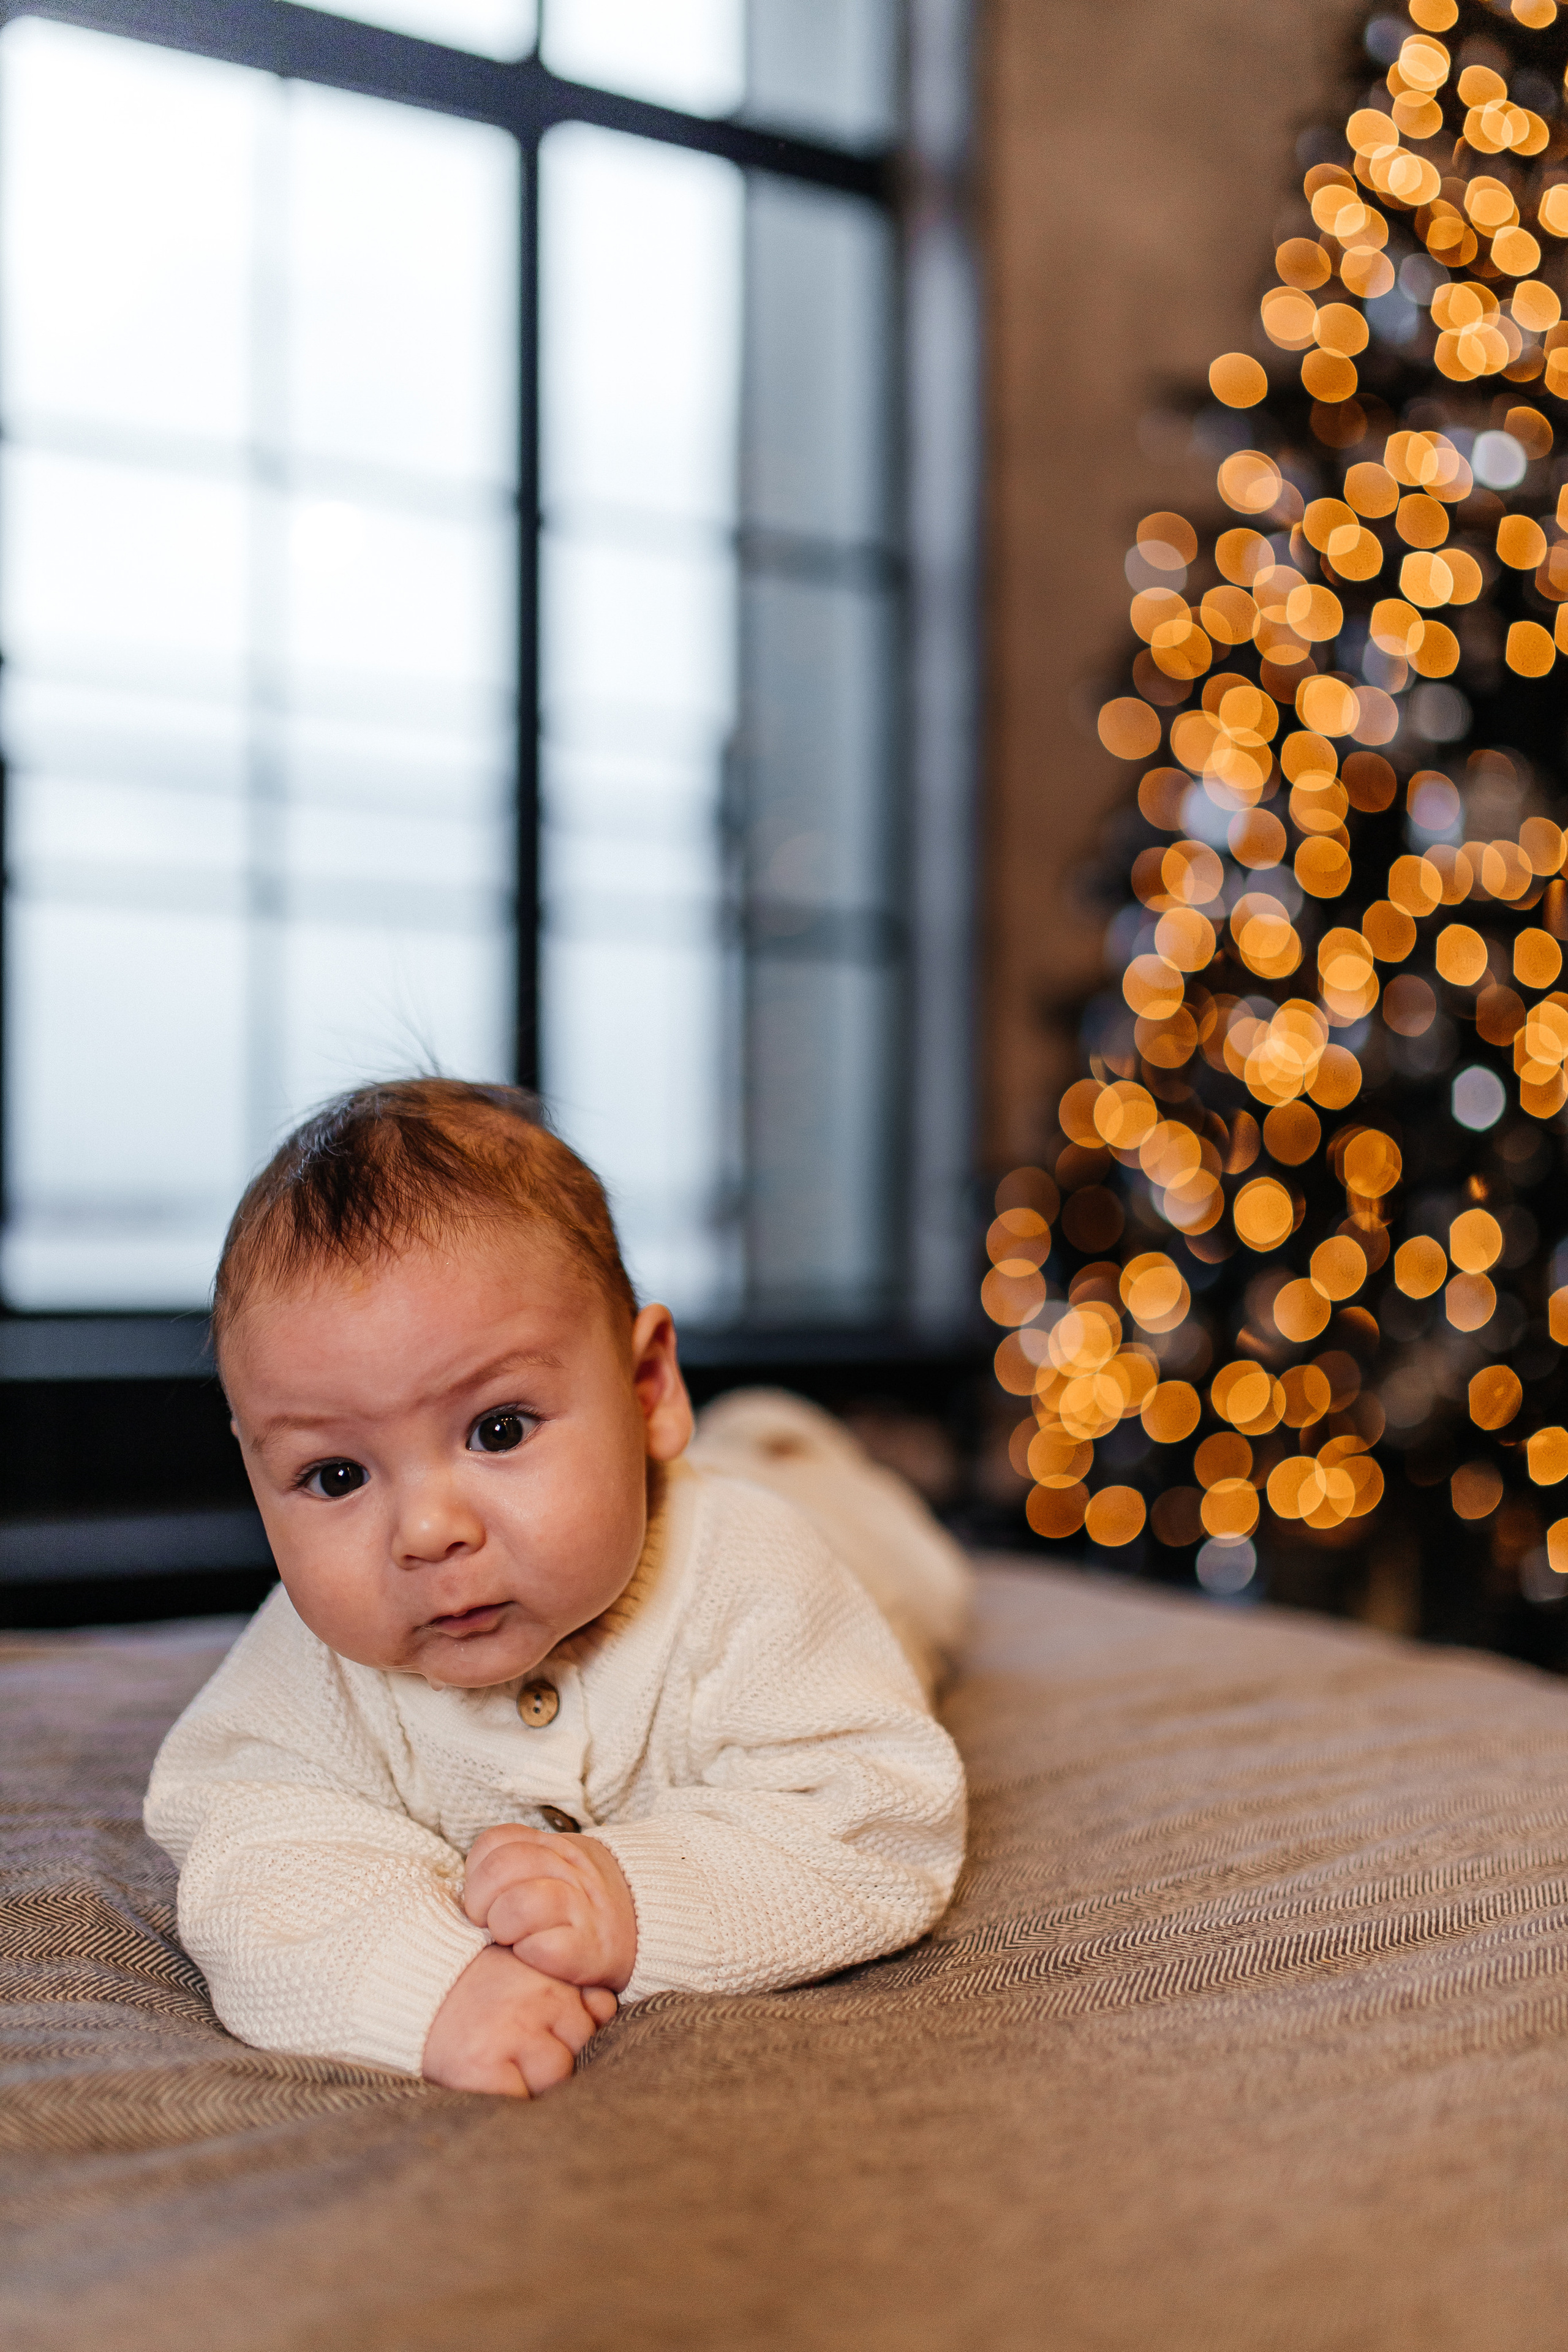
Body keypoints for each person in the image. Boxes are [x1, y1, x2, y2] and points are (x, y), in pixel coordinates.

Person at [145, 1079, 970, 2100]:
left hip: (847, 1552)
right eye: (337, 1476)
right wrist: (431, 1989)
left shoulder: (757, 1575)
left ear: (647, 1388)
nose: (427, 1531)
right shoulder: (308, 1668)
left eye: (498, 1430)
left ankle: (786, 1442)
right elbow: (256, 1861)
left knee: (878, 1541)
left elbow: (881, 1819)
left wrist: (634, 1897)